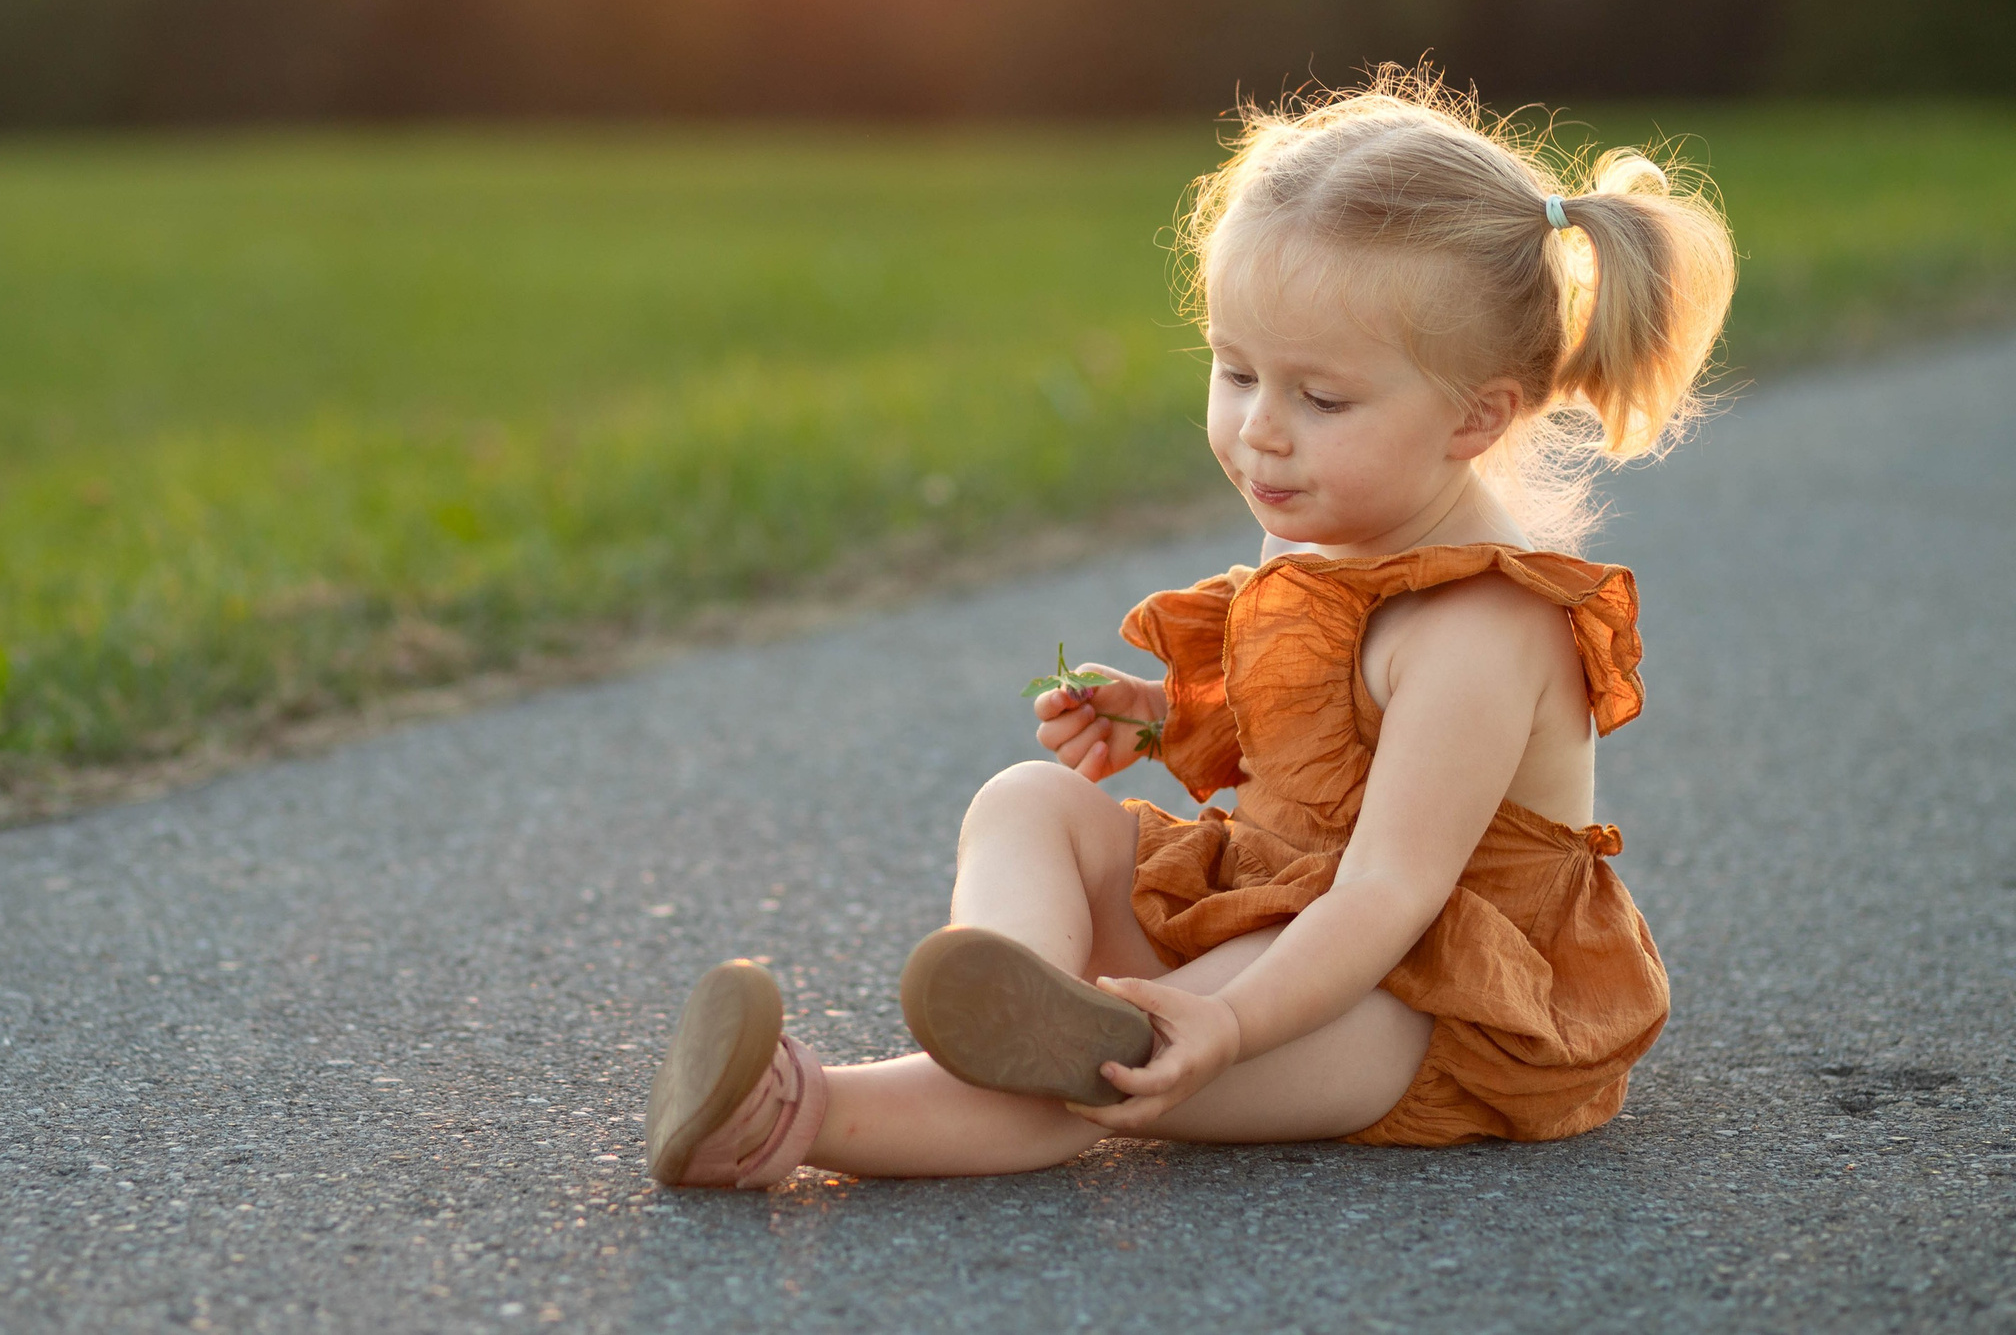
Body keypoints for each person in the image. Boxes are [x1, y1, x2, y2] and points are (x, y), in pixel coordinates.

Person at [646, 71, 1738, 1187]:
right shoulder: (1328, 534)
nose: (1259, 430)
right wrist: (1166, 724)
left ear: (1476, 414)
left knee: (1125, 1069)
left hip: (1418, 993)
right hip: (1282, 905)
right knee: (1026, 800)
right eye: (1234, 371)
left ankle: (807, 1110)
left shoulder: (1479, 629)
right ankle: (1016, 995)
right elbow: (1314, 743)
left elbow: (1386, 890)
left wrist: (1228, 1021)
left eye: (1319, 398)